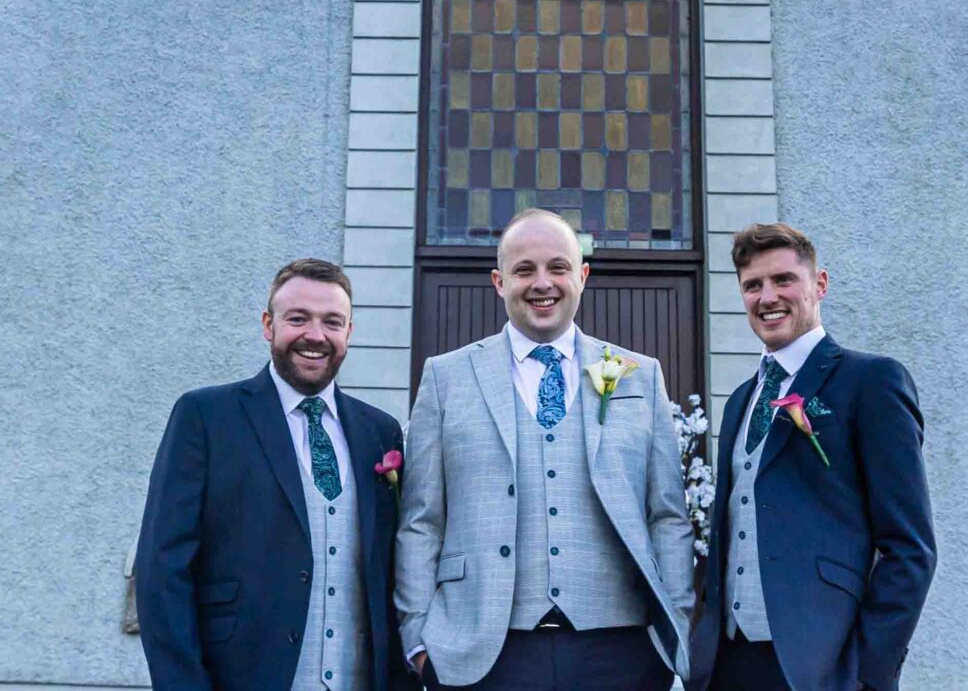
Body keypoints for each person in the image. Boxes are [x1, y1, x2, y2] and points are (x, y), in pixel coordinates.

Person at [394, 208, 693, 690]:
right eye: (523, 270)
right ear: (498, 281)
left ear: (583, 276)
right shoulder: (445, 378)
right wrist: (419, 639)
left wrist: (675, 628)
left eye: (557, 267)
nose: (542, 283)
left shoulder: (641, 374)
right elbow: (421, 521)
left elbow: (668, 516)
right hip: (484, 651)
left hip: (622, 649)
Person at [134, 258, 413, 691]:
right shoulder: (206, 417)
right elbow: (162, 570)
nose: (315, 335)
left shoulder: (380, 432)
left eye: (332, 322)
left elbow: (392, 574)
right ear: (269, 325)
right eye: (297, 318)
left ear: (349, 333)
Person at [689, 223, 936, 691]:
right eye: (753, 285)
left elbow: (910, 548)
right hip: (727, 663)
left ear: (819, 284)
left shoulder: (871, 381)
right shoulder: (742, 399)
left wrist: (867, 672)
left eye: (784, 280)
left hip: (819, 666)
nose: (768, 297)